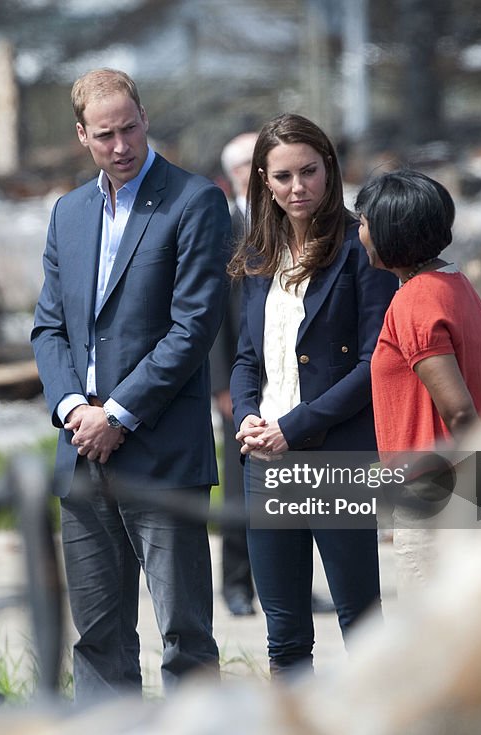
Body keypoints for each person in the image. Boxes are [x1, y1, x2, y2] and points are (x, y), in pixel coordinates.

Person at [31, 68, 229, 702]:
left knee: (184, 631)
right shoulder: (69, 211)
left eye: (132, 129)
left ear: (146, 118)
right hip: (81, 450)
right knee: (96, 635)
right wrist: (72, 410)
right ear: (82, 135)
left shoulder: (194, 201)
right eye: (107, 135)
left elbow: (194, 326)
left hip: (161, 451)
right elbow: (49, 328)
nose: (123, 146)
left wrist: (116, 414)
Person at [228, 113, 397, 678]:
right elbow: (249, 357)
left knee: (361, 621)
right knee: (284, 634)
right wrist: (250, 416)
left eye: (309, 171)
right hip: (265, 459)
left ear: (330, 170)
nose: (297, 188)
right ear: (262, 181)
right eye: (282, 176)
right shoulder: (258, 254)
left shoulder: (358, 247)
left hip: (335, 456)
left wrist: (292, 427)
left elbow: (377, 363)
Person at [355, 169, 481, 594]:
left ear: (389, 230)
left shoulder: (416, 299)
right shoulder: (457, 284)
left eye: (364, 223)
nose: (360, 233)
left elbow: (458, 409)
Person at [212, 132, 257, 617]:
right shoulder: (224, 227)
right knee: (239, 484)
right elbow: (213, 314)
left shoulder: (291, 223)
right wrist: (220, 383)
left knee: (291, 484)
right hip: (238, 381)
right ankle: (237, 583)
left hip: (287, 377)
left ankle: (290, 583)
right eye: (245, 163)